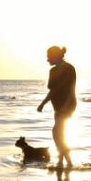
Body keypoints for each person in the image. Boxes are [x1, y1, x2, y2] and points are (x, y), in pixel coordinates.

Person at [37, 45, 76, 173]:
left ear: (56, 56)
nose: (47, 59)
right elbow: (53, 91)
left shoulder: (69, 69)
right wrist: (43, 103)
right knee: (59, 133)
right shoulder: (52, 71)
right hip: (57, 106)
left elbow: (72, 89)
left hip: (68, 104)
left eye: (49, 56)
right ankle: (66, 160)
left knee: (56, 132)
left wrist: (66, 106)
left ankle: (64, 160)